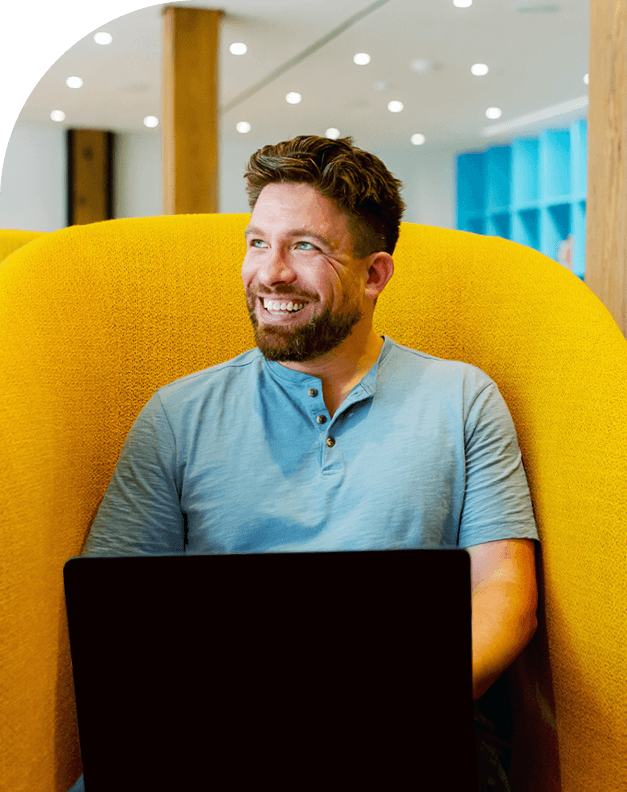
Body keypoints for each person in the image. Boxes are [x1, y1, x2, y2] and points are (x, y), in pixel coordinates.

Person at [67, 135, 539, 792]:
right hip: (211, 730)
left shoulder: (461, 398)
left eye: (305, 247)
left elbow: (505, 593)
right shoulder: (178, 413)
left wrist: (391, 709)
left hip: (409, 730)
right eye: (257, 242)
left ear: (374, 275)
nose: (271, 272)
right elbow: (110, 609)